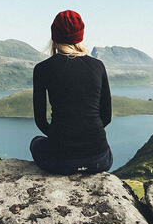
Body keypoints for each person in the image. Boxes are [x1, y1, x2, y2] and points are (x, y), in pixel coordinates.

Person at [30, 10, 113, 174]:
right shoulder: (98, 66)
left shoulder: (42, 69)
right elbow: (106, 117)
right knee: (103, 148)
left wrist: (60, 137)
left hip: (61, 160)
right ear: (80, 36)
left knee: (36, 143)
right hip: (99, 160)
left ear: (54, 36)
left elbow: (40, 121)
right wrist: (86, 135)